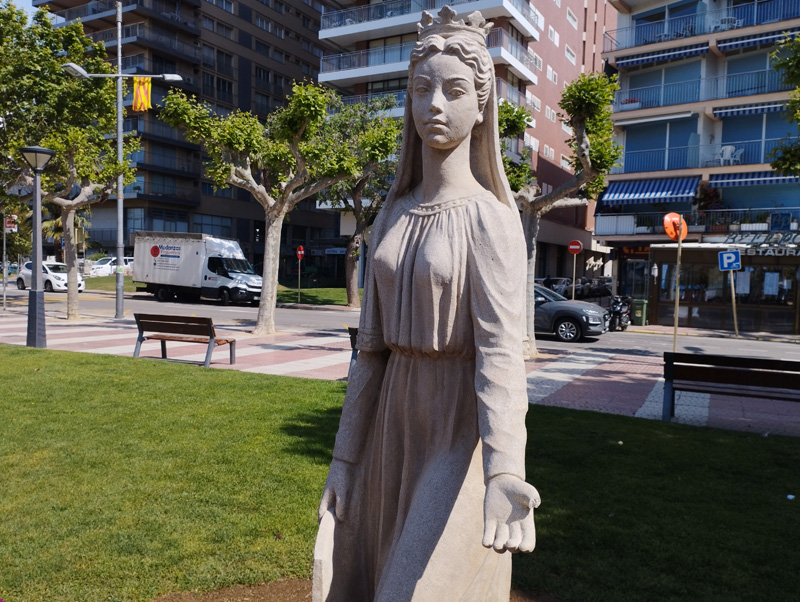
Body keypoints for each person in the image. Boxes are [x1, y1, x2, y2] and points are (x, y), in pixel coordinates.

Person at [315, 7, 540, 601]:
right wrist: (345, 458)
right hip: (393, 417)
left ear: (481, 104)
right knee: (368, 572)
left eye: (454, 89)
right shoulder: (392, 213)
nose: (434, 104)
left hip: (454, 422)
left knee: (414, 589)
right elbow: (369, 353)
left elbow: (499, 354)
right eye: (421, 89)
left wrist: (504, 468)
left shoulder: (491, 220)